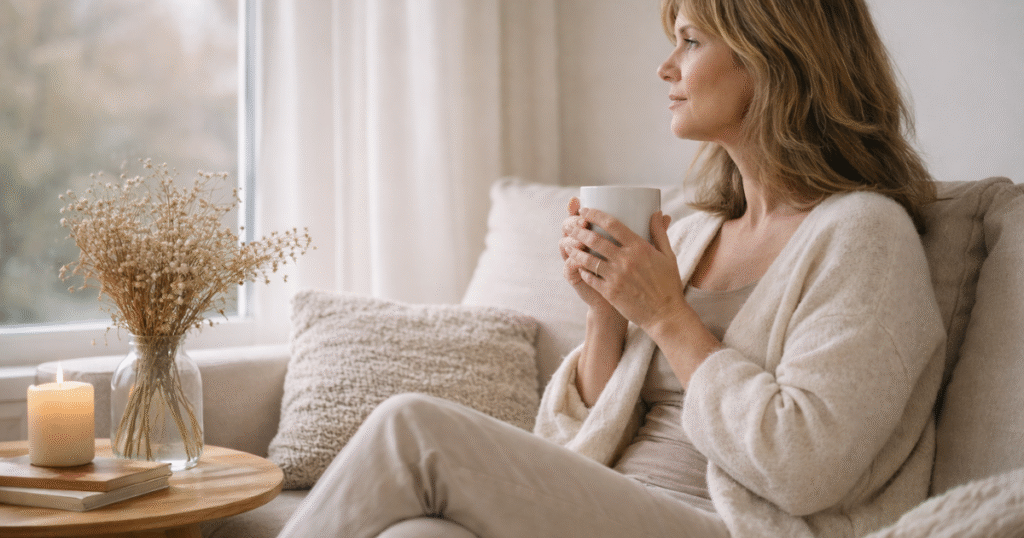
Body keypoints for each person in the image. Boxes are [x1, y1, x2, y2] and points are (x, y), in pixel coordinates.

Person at [277, 0, 945, 536]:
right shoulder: (693, 234)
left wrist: (666, 316)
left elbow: (804, 467)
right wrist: (604, 318)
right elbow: (572, 438)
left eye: (689, 40)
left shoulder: (864, 235)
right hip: (617, 502)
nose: (665, 68)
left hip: (730, 523)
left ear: (774, 57)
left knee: (412, 428)